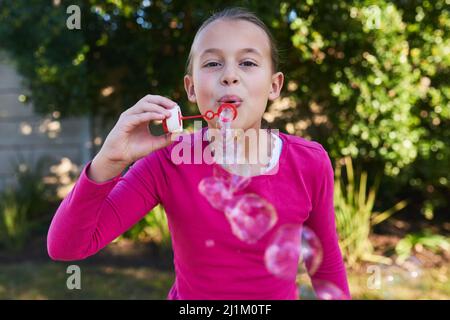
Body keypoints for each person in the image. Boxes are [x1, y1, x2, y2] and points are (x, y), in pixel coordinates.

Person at [47, 7, 350, 300]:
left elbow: (326, 265)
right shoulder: (167, 162)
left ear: (274, 86)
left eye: (247, 62)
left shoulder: (310, 162)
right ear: (191, 89)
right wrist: (109, 161)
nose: (229, 75)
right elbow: (67, 247)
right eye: (212, 64)